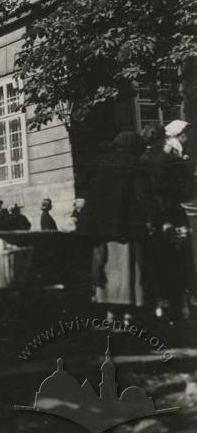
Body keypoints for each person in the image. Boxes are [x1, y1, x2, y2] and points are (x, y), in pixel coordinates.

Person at [80, 131, 147, 326]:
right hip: (126, 225)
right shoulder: (134, 162)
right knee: (128, 269)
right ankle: (128, 314)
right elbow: (141, 194)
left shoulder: (100, 160)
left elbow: (82, 182)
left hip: (100, 226)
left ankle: (109, 312)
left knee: (106, 266)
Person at [138, 121, 194, 320]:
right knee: (178, 258)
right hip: (171, 213)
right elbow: (184, 188)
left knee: (157, 260)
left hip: (152, 217)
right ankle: (181, 304)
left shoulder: (141, 160)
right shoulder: (169, 158)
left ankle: (160, 304)